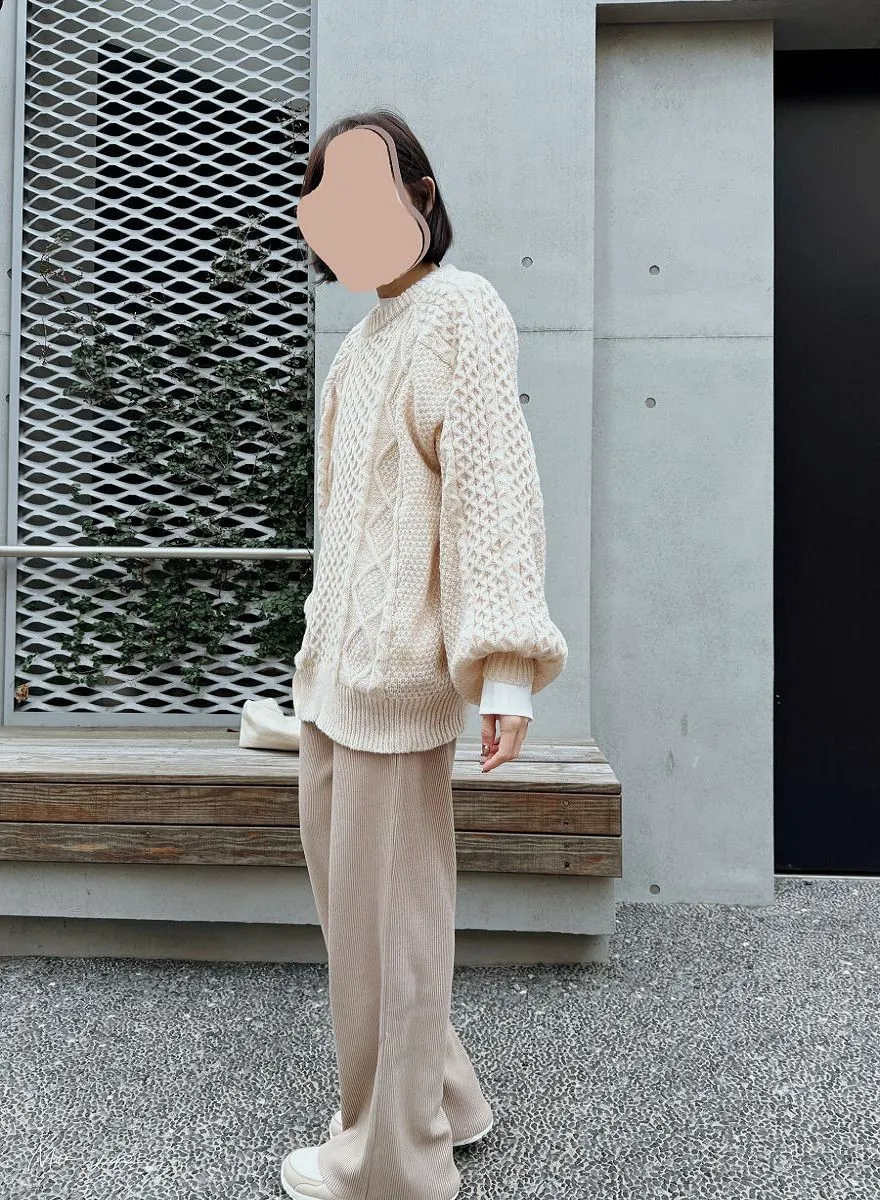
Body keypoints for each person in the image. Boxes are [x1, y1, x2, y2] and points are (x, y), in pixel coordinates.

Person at [281, 109, 568, 1200]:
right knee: (360, 924)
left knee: (390, 931)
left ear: (421, 192)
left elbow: (494, 491)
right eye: (323, 196)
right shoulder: (361, 344)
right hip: (334, 684)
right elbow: (353, 529)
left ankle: (392, 1163)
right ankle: (445, 1097)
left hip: (399, 688)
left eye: (363, 187)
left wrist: (505, 669)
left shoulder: (462, 310)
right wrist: (313, 661)